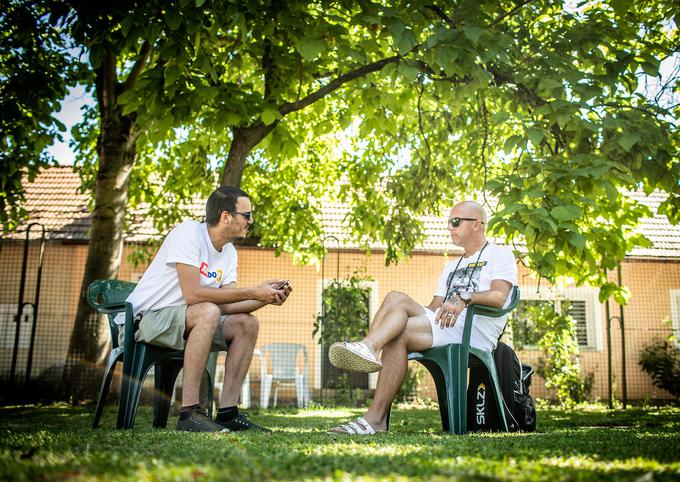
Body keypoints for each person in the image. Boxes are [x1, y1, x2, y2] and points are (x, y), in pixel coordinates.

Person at [327, 201, 517, 435]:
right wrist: (407, 313)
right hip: (445, 326)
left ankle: (370, 357)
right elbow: (434, 309)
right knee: (396, 302)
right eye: (449, 222)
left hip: (474, 331)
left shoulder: (499, 254)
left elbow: (499, 297)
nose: (450, 227)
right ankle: (373, 400)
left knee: (400, 327)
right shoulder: (451, 266)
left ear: (477, 224)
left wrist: (465, 297)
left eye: (455, 222)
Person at [115, 186, 293, 433]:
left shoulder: (229, 252)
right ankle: (189, 414)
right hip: (145, 321)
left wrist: (267, 298)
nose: (251, 220)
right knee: (208, 310)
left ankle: (228, 413)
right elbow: (193, 294)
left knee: (247, 323)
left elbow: (229, 305)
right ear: (225, 217)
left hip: (187, 320)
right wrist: (253, 290)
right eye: (247, 214)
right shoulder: (188, 232)